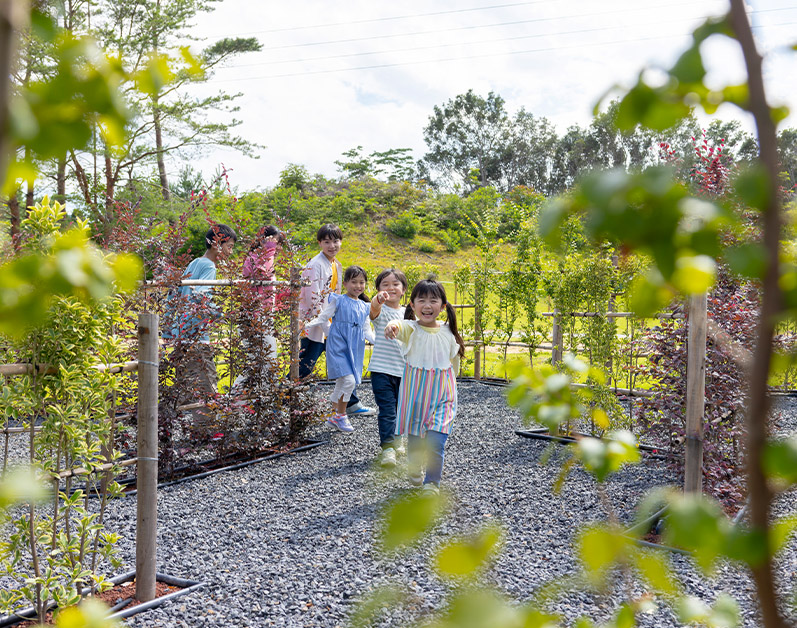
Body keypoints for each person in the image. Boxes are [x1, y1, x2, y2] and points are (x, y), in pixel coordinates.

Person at [385, 278, 466, 496]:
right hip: (415, 397)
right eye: (421, 300)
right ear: (412, 305)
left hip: (443, 396)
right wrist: (391, 326)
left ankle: (432, 483)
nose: (427, 305)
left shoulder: (449, 332)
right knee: (415, 440)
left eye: (433, 300)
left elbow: (454, 364)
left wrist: (452, 383)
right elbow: (398, 326)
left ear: (443, 306)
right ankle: (414, 467)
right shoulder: (411, 329)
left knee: (436, 440)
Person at [298, 223, 374, 416]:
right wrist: (327, 328)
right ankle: (285, 400)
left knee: (347, 360)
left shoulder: (335, 264)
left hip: (334, 323)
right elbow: (313, 299)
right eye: (327, 242)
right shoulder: (314, 265)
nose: (332, 245)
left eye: (336, 241)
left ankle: (351, 403)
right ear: (319, 243)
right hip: (319, 323)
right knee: (306, 363)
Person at [164, 223, 237, 421]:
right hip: (196, 335)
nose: (230, 252)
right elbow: (200, 297)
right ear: (216, 244)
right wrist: (222, 314)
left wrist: (169, 332)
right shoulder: (209, 266)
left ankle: (195, 429)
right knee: (206, 382)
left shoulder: (194, 263)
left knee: (188, 383)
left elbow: (175, 294)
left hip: (182, 334)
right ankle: (206, 430)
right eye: (229, 246)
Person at [306, 266, 374, 433]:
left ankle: (334, 415)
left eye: (361, 282)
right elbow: (323, 317)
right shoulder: (338, 300)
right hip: (338, 346)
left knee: (342, 382)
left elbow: (367, 330)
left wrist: (379, 342)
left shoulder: (366, 306)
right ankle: (341, 415)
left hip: (355, 347)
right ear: (345, 283)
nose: (358, 286)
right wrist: (307, 325)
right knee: (349, 381)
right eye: (354, 282)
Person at [233, 225, 285, 392]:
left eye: (279, 244)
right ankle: (237, 399)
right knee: (266, 362)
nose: (277, 248)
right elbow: (263, 273)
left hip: (262, 318)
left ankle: (237, 401)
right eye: (274, 243)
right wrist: (268, 251)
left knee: (258, 363)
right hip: (255, 318)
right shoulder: (254, 258)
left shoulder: (260, 258)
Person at [368, 268, 408, 468]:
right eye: (385, 285)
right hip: (382, 370)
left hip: (406, 372)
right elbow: (373, 309)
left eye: (395, 284)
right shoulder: (381, 310)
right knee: (387, 410)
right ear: (378, 289)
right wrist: (378, 299)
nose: (390, 288)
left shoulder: (409, 313)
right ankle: (388, 449)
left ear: (403, 290)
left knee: (402, 410)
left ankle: (398, 439)